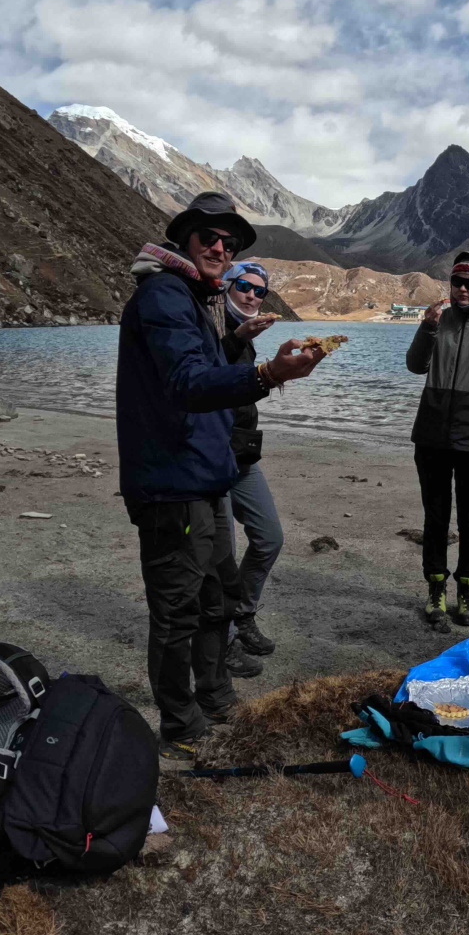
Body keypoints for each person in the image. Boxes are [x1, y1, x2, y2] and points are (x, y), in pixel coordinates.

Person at [116, 191, 321, 759]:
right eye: (208, 236)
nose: (219, 247)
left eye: (229, 242)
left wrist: (239, 349)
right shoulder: (163, 294)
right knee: (177, 612)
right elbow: (186, 382)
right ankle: (180, 725)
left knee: (216, 601)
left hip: (204, 478)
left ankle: (215, 697)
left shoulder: (192, 297)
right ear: (183, 238)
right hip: (172, 482)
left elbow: (202, 371)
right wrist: (267, 374)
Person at [406, 251, 469, 627]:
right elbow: (415, 366)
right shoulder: (438, 319)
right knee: (435, 516)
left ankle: (466, 590)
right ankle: (435, 588)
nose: (463, 289)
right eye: (457, 281)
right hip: (431, 434)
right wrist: (427, 328)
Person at [217, 260, 286, 676]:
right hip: (211, 455)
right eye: (244, 286)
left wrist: (273, 373)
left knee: (269, 537)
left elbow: (239, 391)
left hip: (241, 452)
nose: (252, 295)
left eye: (260, 291)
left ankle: (242, 614)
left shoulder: (246, 336)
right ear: (227, 286)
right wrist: (236, 338)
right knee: (221, 555)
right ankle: (221, 638)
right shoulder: (211, 324)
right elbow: (200, 378)